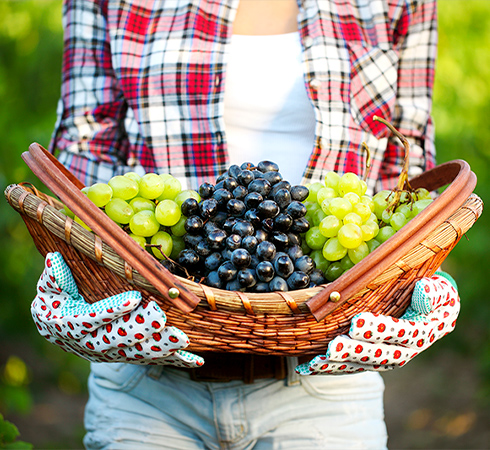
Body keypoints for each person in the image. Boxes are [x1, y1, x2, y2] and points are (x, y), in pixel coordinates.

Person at [31, 0, 460, 448]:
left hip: (325, 382)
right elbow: (86, 153)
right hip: (148, 377)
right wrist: (79, 279)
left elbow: (403, 174)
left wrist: (416, 278)